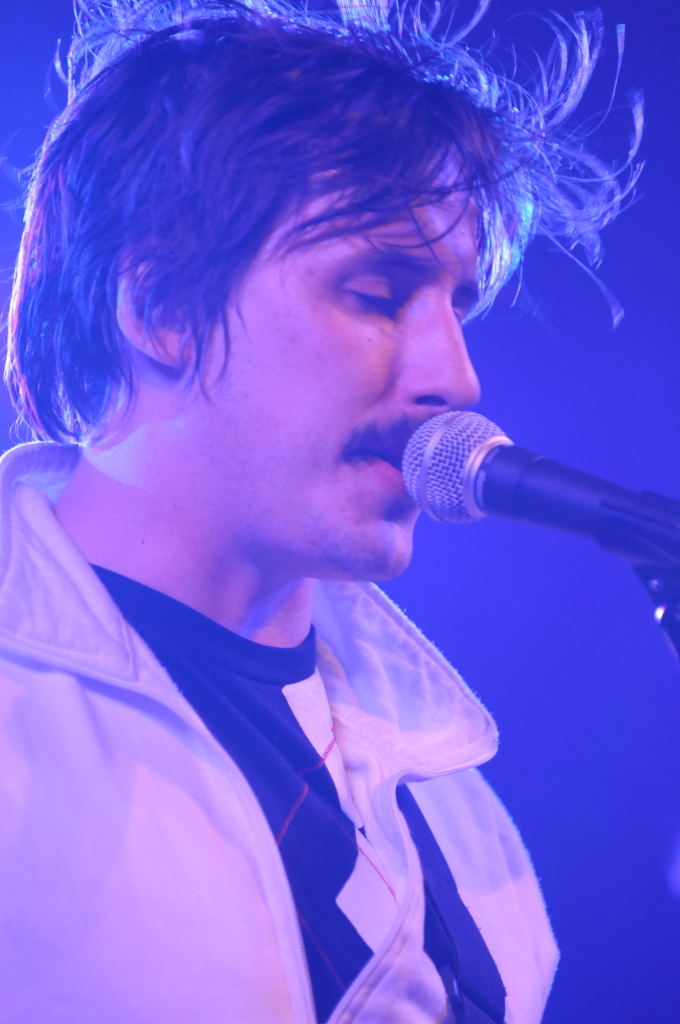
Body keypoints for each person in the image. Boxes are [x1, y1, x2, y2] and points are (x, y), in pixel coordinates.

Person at [0, 1, 637, 1021]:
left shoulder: (459, 806)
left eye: (457, 305)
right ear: (159, 309)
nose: (456, 379)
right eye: (378, 293)